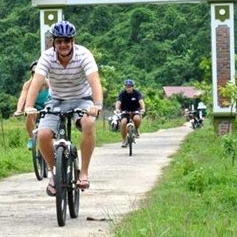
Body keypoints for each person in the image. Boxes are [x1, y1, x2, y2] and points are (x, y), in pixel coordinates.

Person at [24, 20, 103, 196]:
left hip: (82, 99)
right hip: (56, 99)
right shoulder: (47, 57)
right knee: (42, 135)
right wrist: (29, 106)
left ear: (73, 41)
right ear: (54, 43)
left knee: (89, 124)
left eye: (67, 41)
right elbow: (36, 83)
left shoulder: (84, 55)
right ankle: (55, 173)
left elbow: (94, 81)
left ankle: (83, 172)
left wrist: (97, 105)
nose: (63, 45)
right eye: (59, 41)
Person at [14, 61, 51, 150]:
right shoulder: (28, 85)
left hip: (47, 107)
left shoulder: (48, 83)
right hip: (35, 108)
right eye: (34, 73)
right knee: (29, 115)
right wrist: (19, 110)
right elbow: (23, 97)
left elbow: (54, 93)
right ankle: (31, 137)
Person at [114, 79, 145, 148]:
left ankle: (136, 130)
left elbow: (141, 101)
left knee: (136, 118)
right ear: (125, 87)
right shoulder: (122, 93)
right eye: (127, 87)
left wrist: (143, 109)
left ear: (133, 87)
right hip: (125, 111)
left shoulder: (137, 93)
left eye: (130, 87)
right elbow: (118, 102)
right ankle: (124, 140)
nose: (128, 88)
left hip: (135, 110)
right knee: (123, 122)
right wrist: (117, 109)